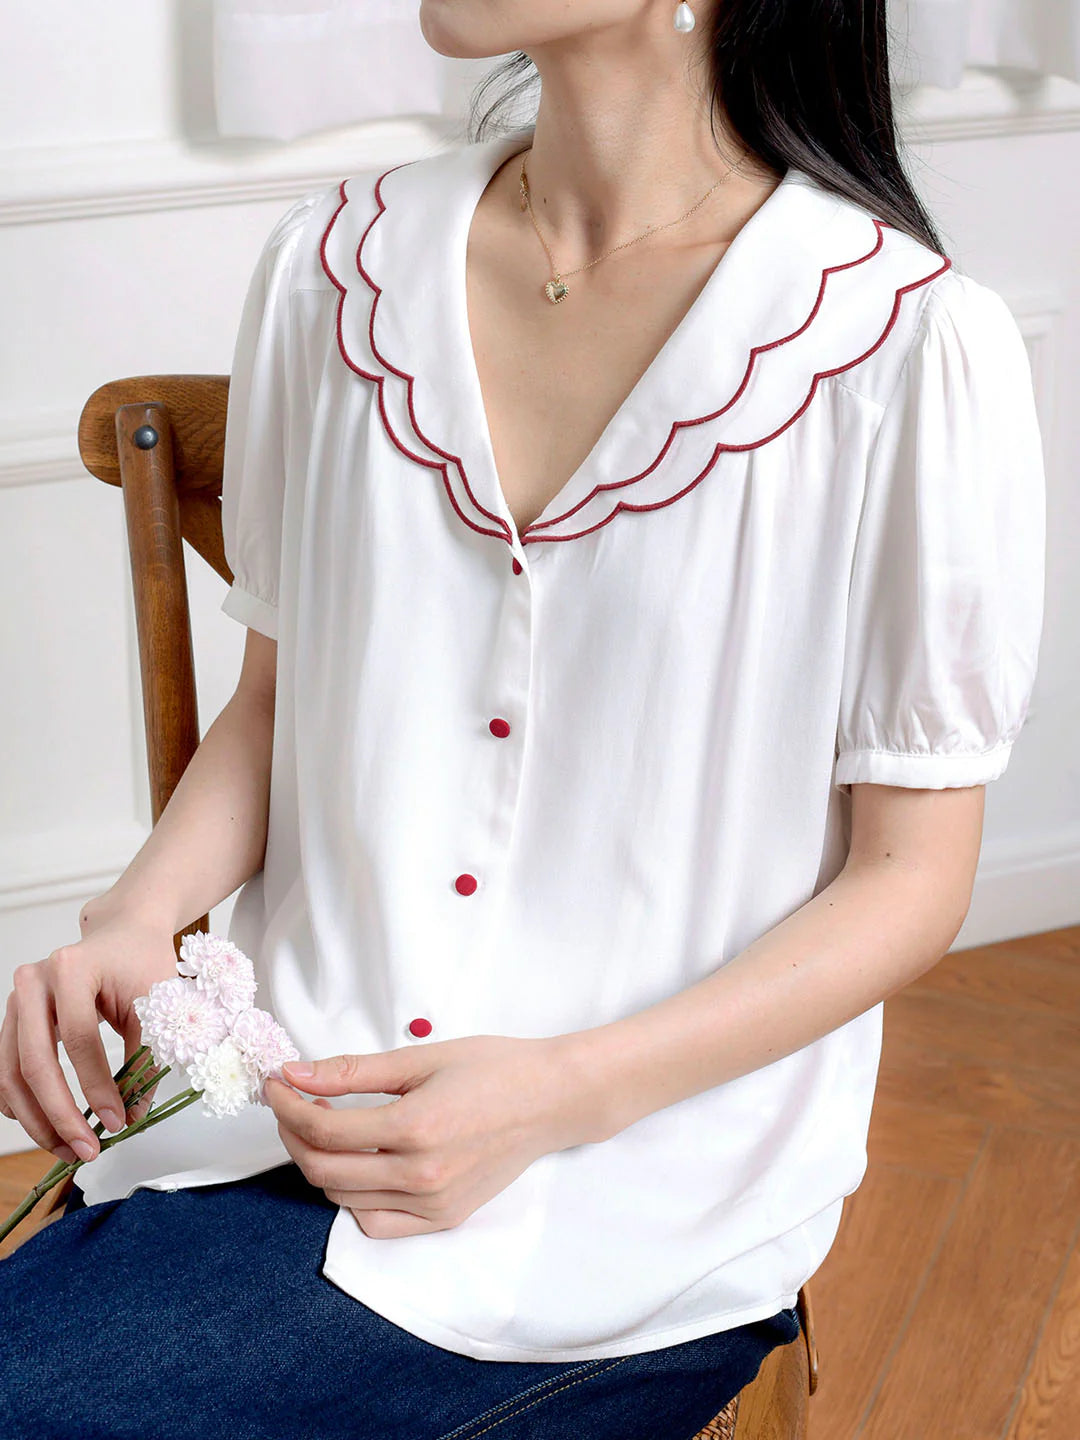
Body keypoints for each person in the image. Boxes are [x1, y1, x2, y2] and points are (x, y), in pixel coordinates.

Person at [0, 1, 1046, 1437]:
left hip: (633, 1208)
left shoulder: (904, 344)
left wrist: (560, 1093)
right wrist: (133, 921)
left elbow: (909, 877)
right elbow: (277, 705)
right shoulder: (335, 265)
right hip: (267, 1128)